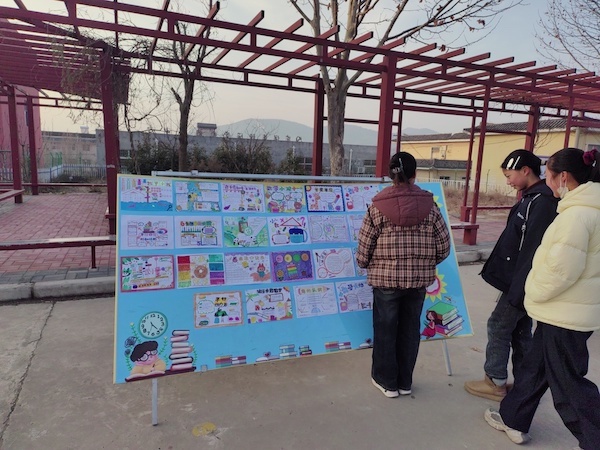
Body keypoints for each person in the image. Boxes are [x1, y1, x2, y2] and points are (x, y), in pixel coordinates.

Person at [484, 147, 600, 448]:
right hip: (569, 309)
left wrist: (532, 292)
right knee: (534, 368)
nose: (547, 182)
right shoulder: (587, 209)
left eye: (548, 176)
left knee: (569, 386)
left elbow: (561, 271)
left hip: (566, 313)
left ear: (563, 177)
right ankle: (513, 419)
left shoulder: (577, 216)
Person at [465, 149, 558, 402]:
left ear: (525, 170)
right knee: (520, 330)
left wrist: (518, 289)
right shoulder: (531, 198)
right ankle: (524, 385)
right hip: (518, 280)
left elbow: (532, 251)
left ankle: (494, 381)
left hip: (521, 282)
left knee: (498, 325)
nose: (508, 182)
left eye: (509, 175)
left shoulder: (542, 202)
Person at [355, 151, 451, 398]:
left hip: (385, 281)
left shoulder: (377, 207)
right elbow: (443, 246)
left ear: (391, 175)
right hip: (418, 282)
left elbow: (364, 247)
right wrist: (424, 264)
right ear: (414, 174)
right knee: (409, 330)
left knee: (385, 330)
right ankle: (405, 383)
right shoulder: (430, 206)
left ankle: (386, 382)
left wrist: (364, 263)